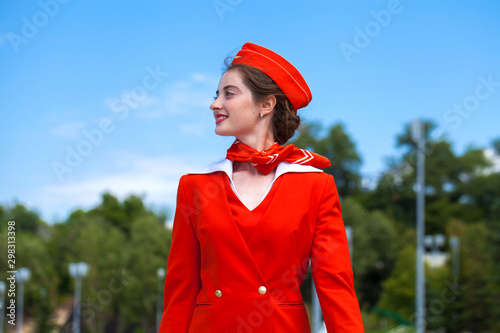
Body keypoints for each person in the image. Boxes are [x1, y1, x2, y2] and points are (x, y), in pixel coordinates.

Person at [159, 42, 364, 332]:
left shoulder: (316, 186)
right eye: (216, 95)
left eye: (228, 94)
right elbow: (179, 294)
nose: (215, 104)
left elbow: (336, 290)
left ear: (266, 105)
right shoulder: (194, 186)